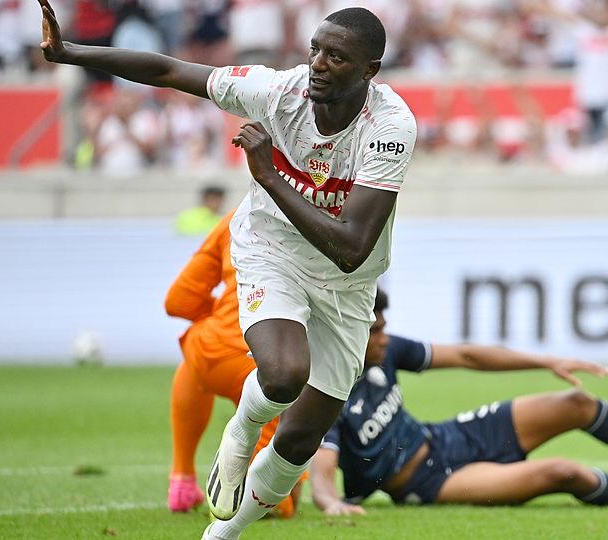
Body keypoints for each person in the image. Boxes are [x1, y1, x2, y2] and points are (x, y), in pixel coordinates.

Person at [37, 3, 416, 539]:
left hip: (346, 280)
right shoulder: (276, 92)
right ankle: (241, 431)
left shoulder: (391, 126)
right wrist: (70, 52)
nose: (317, 63)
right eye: (315, 49)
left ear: (369, 70)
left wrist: (268, 173)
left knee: (300, 441)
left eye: (336, 57)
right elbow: (169, 70)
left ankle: (220, 535)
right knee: (283, 375)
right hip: (272, 249)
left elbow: (352, 247)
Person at [310, 289, 608, 515]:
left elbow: (466, 356)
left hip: (446, 438)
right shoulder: (327, 391)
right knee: (563, 472)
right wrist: (330, 503)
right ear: (350, 333)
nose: (385, 339)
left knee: (575, 403)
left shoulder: (384, 352)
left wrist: (546, 361)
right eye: (376, 331)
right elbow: (323, 472)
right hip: (430, 483)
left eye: (385, 328)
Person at [164, 210, 301, 518]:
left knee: (194, 351)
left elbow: (178, 301)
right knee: (277, 501)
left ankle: (181, 481)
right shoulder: (316, 213)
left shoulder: (234, 218)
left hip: (214, 348)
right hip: (268, 359)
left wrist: (224, 313)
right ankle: (265, 497)